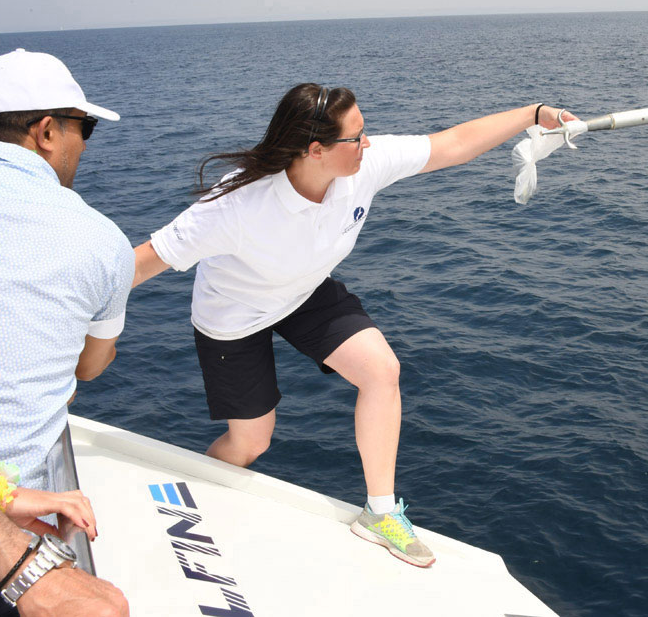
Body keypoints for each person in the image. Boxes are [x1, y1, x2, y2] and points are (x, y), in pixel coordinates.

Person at [133, 84, 574, 568]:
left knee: (381, 370)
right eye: (356, 137)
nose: (368, 144)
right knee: (251, 442)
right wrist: (79, 328)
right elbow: (140, 264)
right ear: (315, 150)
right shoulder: (236, 205)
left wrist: (534, 113)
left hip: (303, 289)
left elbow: (452, 145)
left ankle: (380, 515)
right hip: (234, 313)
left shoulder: (364, 164)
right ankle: (194, 496)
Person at [0, 48, 133, 614]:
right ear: (45, 131)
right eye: (82, 127)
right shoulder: (104, 240)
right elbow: (89, 365)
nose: (84, 143)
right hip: (1, 562)